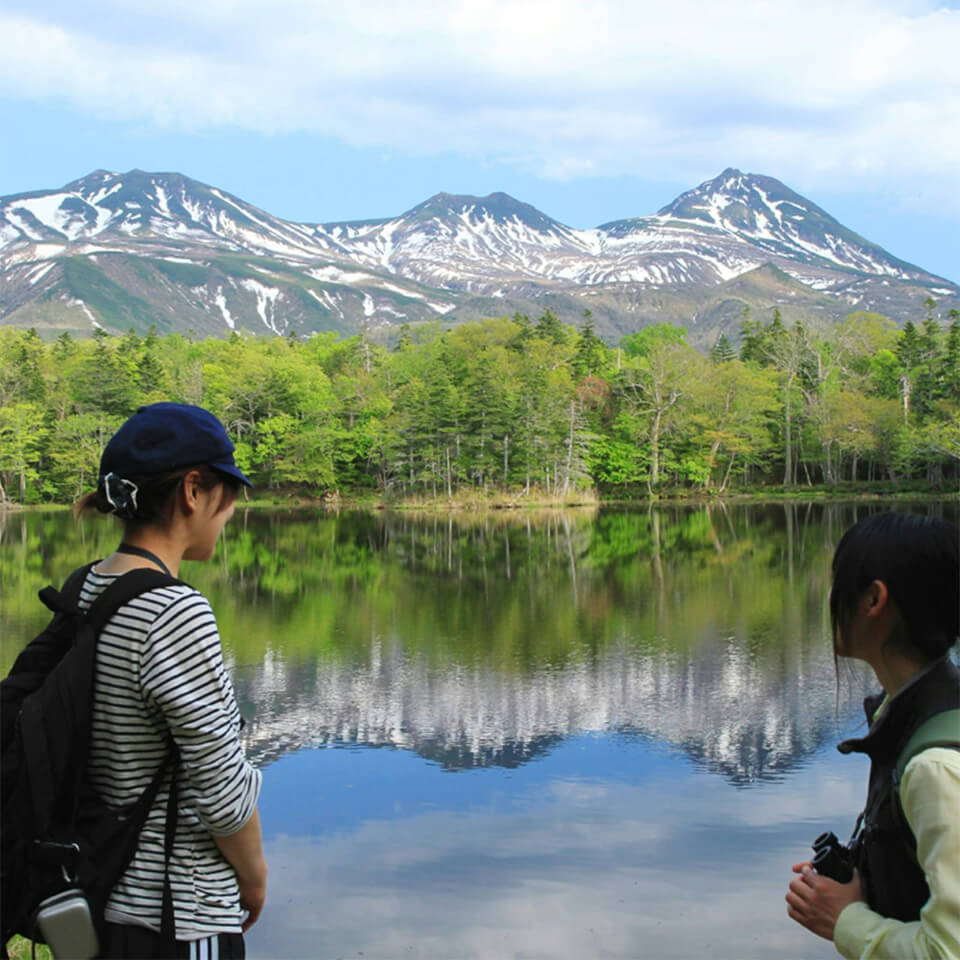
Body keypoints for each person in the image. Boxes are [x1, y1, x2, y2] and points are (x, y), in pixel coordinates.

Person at [73, 402, 267, 959]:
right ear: (192, 490)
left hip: (100, 890)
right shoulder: (172, 611)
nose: (230, 512)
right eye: (229, 494)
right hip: (174, 912)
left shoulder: (88, 587)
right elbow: (222, 789)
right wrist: (253, 876)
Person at [785, 511, 959, 959]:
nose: (828, 598)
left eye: (837, 582)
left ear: (873, 600)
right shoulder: (921, 714)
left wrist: (846, 921)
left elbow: (948, 950)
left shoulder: (935, 766)